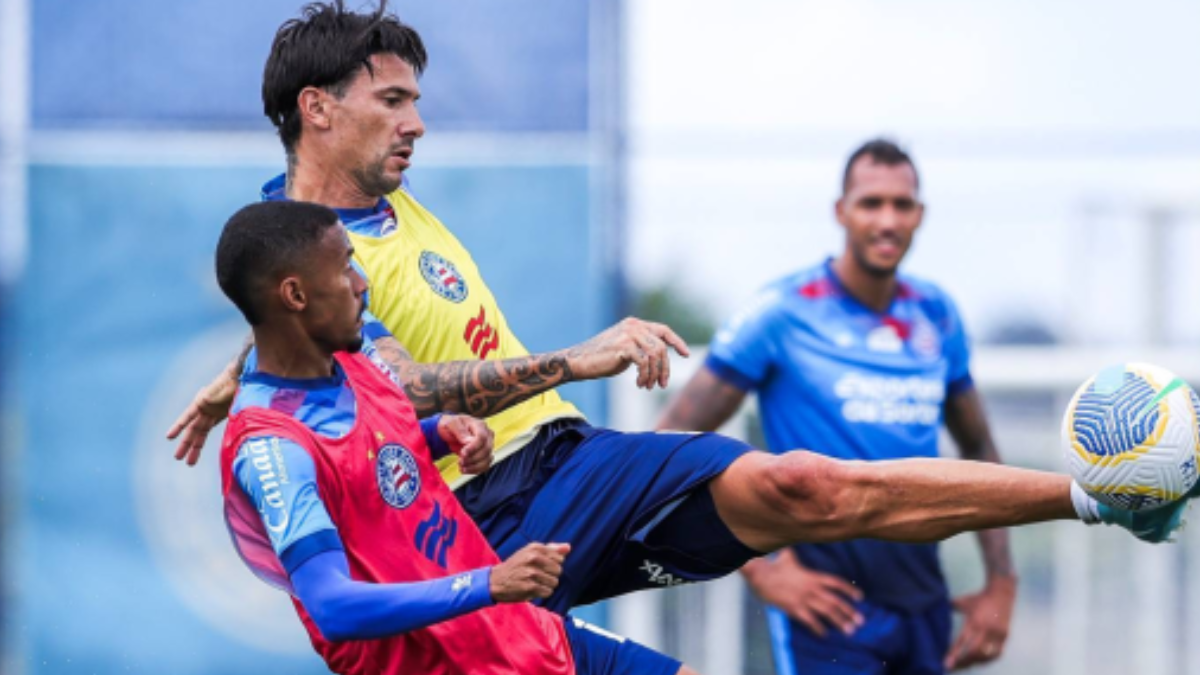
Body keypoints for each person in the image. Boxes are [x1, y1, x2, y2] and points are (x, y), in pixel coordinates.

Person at [171, 0, 1188, 620]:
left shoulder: (364, 218)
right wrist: (577, 358)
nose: (416, 120)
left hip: (562, 473)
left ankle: (1107, 500)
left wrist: (244, 371)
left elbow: (308, 344)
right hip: (475, 520)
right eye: (390, 99)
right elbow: (395, 380)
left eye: (414, 99)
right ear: (317, 107)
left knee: (805, 486)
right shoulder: (307, 242)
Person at [215, 199, 693, 675]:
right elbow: (333, 607)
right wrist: (489, 583)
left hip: (525, 635)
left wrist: (441, 433)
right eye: (345, 269)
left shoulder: (350, 359)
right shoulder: (271, 446)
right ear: (295, 295)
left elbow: (371, 463)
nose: (363, 284)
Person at [656, 139, 1021, 673]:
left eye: (902, 204)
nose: (888, 220)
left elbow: (979, 448)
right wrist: (763, 569)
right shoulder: (782, 312)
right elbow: (672, 445)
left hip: (925, 606)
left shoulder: (937, 313)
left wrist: (1001, 585)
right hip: (829, 615)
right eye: (871, 203)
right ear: (841, 211)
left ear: (920, 215)